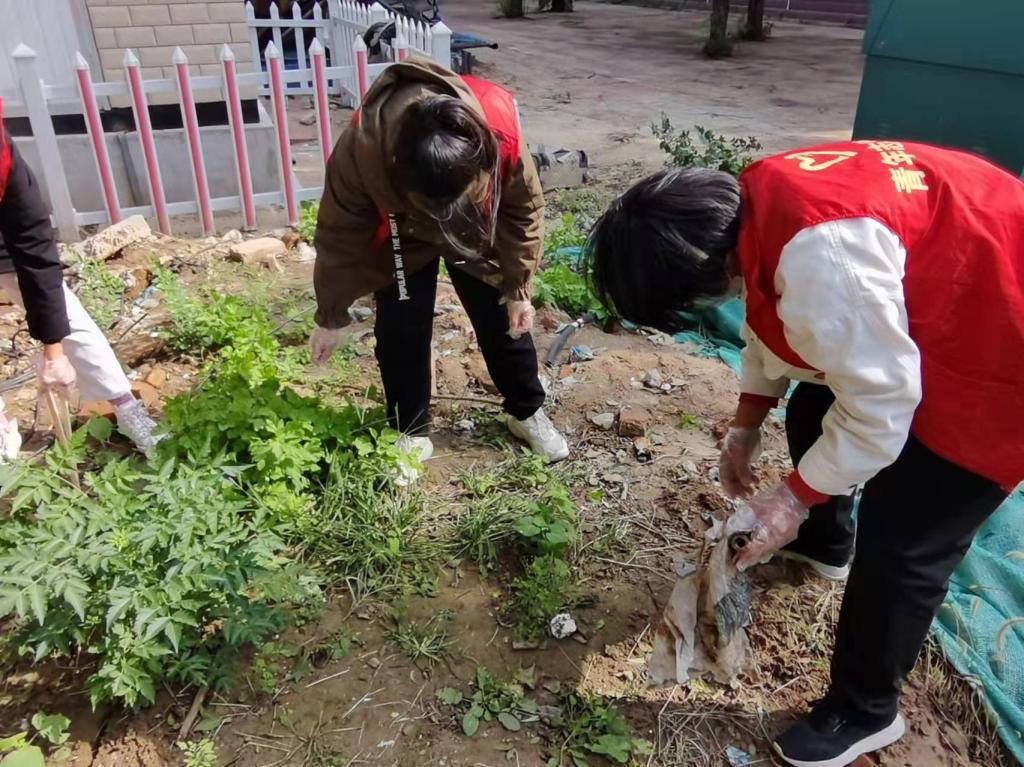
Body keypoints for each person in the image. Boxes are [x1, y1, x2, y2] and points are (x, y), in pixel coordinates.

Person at [584, 140, 1024, 767]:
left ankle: (865, 711)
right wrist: (746, 424)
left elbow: (880, 411)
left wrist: (790, 499)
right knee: (814, 406)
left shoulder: (824, 261)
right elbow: (771, 321)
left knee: (906, 537)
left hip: (1003, 338)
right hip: (952, 282)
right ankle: (824, 545)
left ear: (707, 273)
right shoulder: (752, 210)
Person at [309, 54, 568, 482]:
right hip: (403, 229)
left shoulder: (497, 129)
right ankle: (410, 431)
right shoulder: (362, 151)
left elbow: (523, 210)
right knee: (401, 326)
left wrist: (518, 287)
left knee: (503, 317)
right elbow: (339, 235)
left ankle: (526, 412)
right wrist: (330, 314)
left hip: (473, 222)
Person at [0, 127, 161, 458]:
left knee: (62, 309)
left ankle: (125, 406)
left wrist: (53, 353)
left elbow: (36, 255)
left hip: (4, 228)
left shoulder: (5, 163)